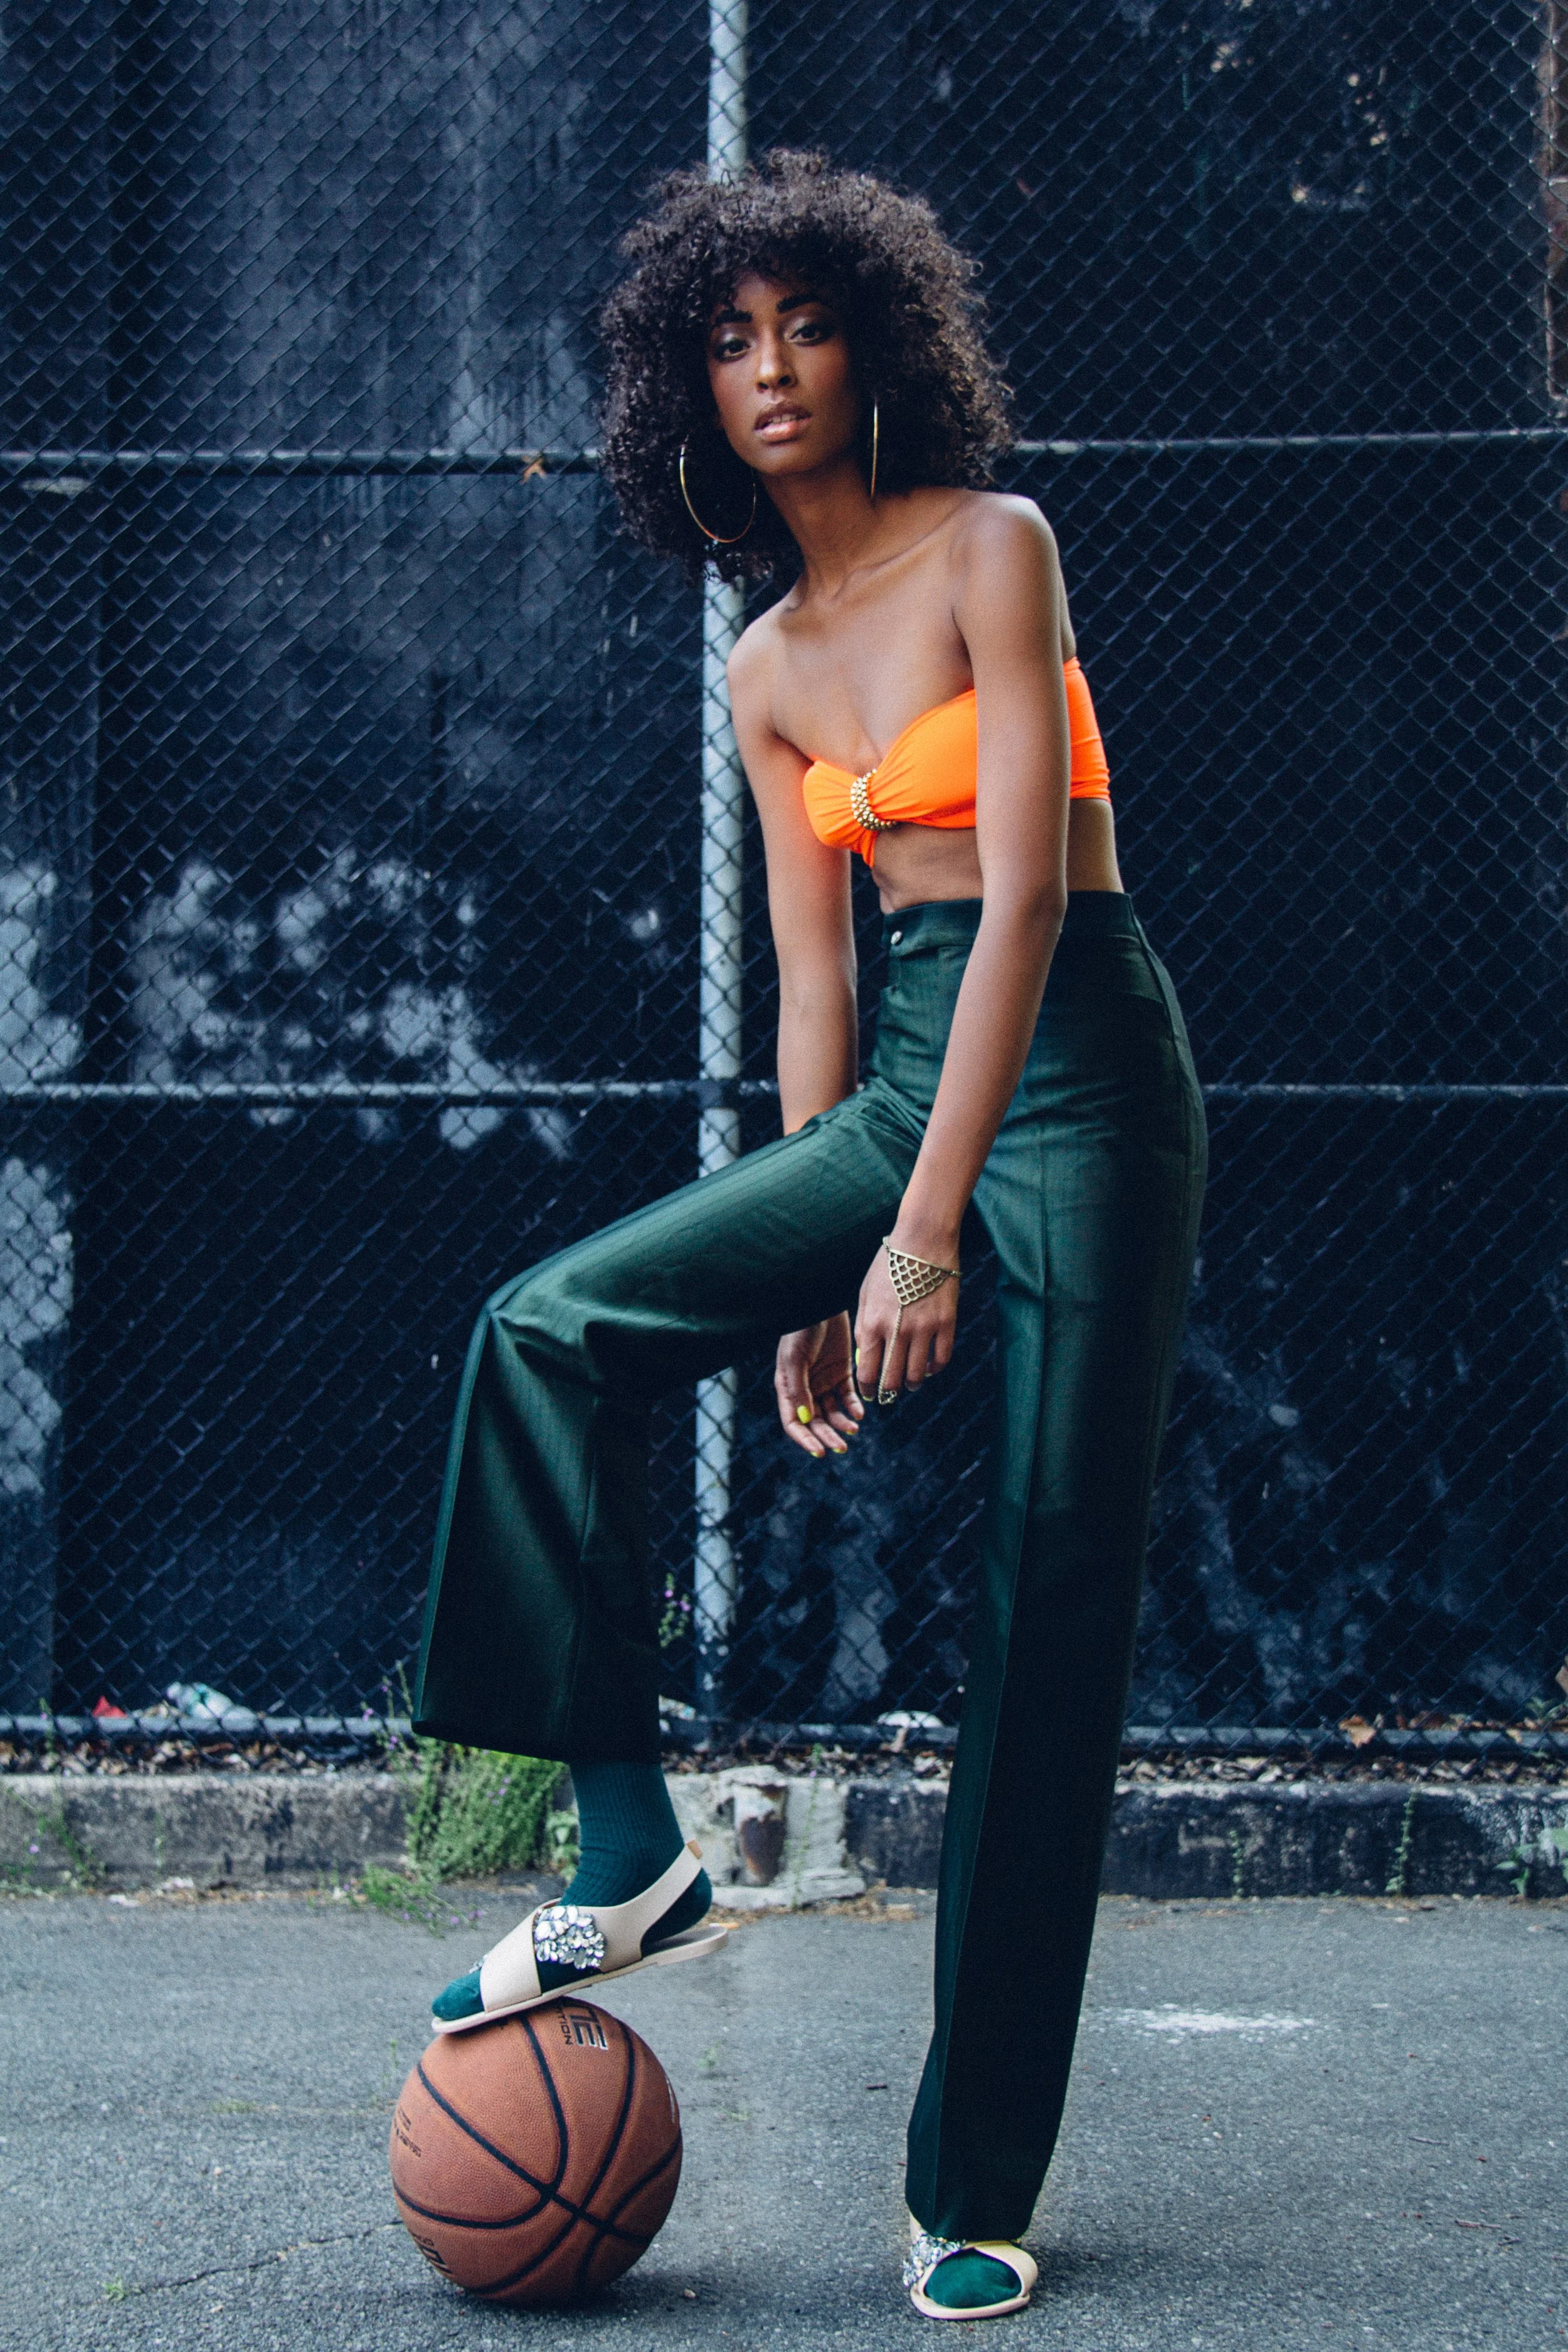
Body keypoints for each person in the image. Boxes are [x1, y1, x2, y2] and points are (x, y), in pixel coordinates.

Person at [412, 149, 1206, 2322]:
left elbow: (1028, 895)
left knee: (1043, 1623)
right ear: (688, 384)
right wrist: (807, 1266)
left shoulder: (989, 550)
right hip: (898, 1092)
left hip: (1083, 1080)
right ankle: (622, 1847)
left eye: (807, 325)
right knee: (550, 1324)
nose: (768, 369)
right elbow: (815, 991)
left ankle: (968, 2185)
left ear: (879, 345)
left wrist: (918, 1240)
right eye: (727, 337)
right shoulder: (764, 664)